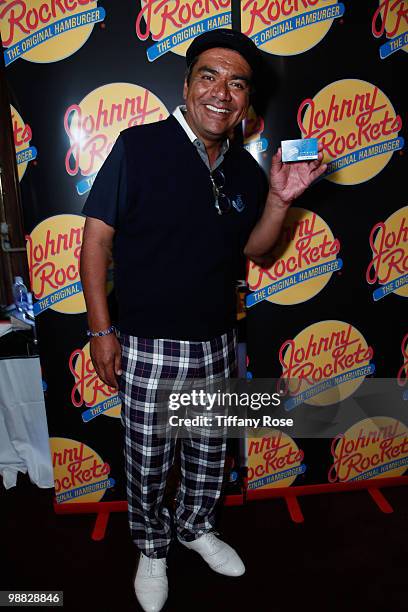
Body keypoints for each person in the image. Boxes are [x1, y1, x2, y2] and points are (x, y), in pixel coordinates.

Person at [80, 28, 326, 612]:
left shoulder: (243, 168)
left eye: (237, 82)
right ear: (188, 86)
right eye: (209, 76)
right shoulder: (137, 146)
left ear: (247, 100)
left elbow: (260, 250)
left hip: (218, 342)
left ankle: (194, 527)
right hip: (146, 342)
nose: (222, 91)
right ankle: (152, 546)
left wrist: (278, 201)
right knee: (147, 458)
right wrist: (100, 330)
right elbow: (94, 244)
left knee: (210, 453)